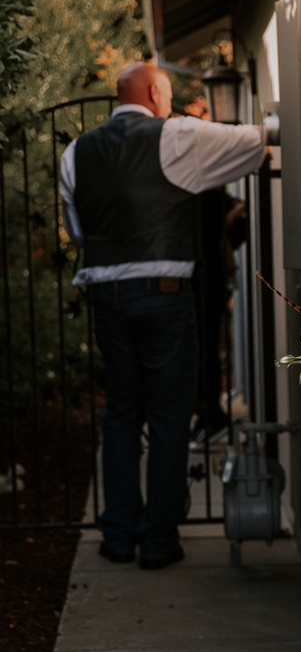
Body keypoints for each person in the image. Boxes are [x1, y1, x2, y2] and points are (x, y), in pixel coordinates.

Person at [60, 62, 266, 569]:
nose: (170, 106)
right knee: (171, 416)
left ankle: (117, 534)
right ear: (154, 92)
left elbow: (79, 230)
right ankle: (157, 541)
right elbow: (251, 145)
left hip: (107, 295)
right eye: (169, 96)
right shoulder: (173, 136)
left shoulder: (76, 152)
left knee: (121, 412)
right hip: (163, 294)